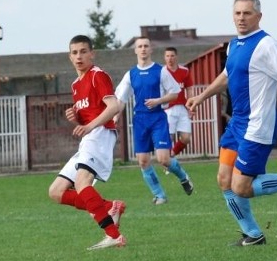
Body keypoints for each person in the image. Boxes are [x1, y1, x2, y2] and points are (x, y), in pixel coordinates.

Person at [186, 0, 277, 247]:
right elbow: (226, 76)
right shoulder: (234, 44)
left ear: (258, 16)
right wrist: (201, 96)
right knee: (224, 180)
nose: (241, 18)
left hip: (257, 126)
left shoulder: (266, 45)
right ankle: (253, 234)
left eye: (247, 13)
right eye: (237, 13)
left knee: (241, 187)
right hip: (237, 124)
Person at [47, 34, 126, 250]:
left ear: (92, 53)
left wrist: (90, 126)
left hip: (100, 135)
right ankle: (110, 207)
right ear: (69, 57)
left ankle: (114, 235)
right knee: (56, 192)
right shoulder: (75, 84)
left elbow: (113, 107)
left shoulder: (97, 75)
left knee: (82, 184)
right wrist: (77, 117)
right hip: (89, 138)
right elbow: (88, 114)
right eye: (74, 52)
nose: (79, 56)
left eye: (83, 51)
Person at [115, 37, 194, 206]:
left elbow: (175, 93)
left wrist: (158, 101)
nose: (143, 49)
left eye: (146, 46)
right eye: (140, 46)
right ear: (135, 50)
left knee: (163, 159)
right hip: (140, 120)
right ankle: (160, 195)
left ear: (151, 50)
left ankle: (183, 177)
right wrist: (114, 117)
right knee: (143, 161)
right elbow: (121, 100)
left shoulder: (161, 71)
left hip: (158, 117)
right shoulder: (130, 74)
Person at [163, 46, 194, 157]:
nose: (170, 58)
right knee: (168, 137)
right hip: (168, 109)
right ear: (164, 58)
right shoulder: (162, 72)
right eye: (167, 56)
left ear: (176, 57)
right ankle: (167, 162)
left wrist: (191, 106)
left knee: (186, 138)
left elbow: (189, 89)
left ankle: (172, 154)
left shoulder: (184, 71)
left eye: (172, 56)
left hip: (182, 107)